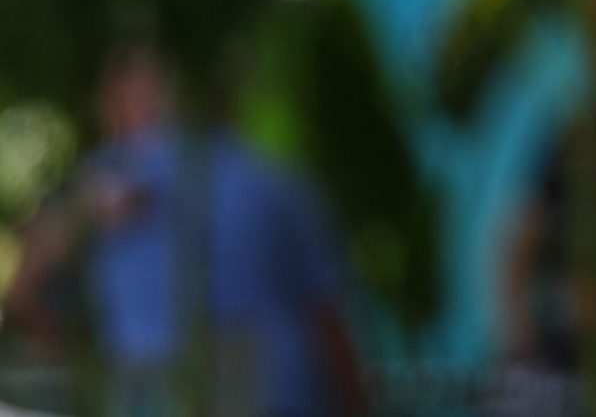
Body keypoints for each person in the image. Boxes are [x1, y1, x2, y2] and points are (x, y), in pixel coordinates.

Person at [2, 45, 368, 417]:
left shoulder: (102, 184)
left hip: (155, 397)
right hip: (275, 396)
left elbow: (21, 293)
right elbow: (329, 320)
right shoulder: (279, 181)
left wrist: (77, 355)